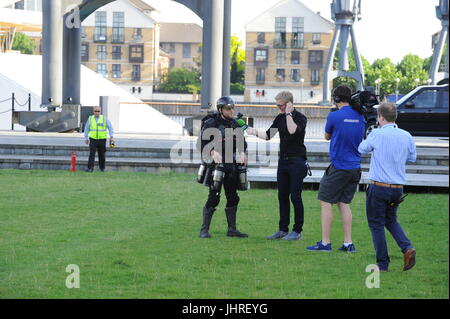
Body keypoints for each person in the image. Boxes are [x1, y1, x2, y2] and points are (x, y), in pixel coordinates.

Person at [358, 103, 416, 272]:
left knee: (376, 225)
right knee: (391, 220)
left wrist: (369, 134)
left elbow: (362, 149)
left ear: (381, 117)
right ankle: (407, 248)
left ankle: (382, 263)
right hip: (397, 187)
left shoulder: (377, 133)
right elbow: (412, 158)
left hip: (379, 186)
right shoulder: (406, 135)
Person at [306, 85, 364, 252]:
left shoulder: (334, 116)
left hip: (339, 166)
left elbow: (326, 136)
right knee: (344, 203)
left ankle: (325, 243)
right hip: (355, 167)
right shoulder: (360, 116)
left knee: (325, 201)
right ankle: (348, 243)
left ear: (336, 98)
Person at [246, 91, 308, 240]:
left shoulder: (300, 118)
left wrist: (288, 114)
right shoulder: (279, 118)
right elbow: (268, 135)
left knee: (295, 196)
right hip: (284, 161)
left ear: (288, 104)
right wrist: (252, 131)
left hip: (297, 161)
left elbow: (293, 130)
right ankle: (282, 229)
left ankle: (297, 231)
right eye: (277, 105)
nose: (278, 108)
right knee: (282, 196)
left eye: (280, 105)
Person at [199, 96, 248, 238]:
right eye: (228, 108)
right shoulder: (211, 123)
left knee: (233, 197)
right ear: (221, 109)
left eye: (233, 107)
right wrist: (212, 152)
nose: (231, 110)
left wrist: (242, 153)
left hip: (231, 164)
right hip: (216, 164)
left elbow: (241, 142)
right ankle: (204, 230)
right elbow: (202, 143)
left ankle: (232, 230)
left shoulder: (236, 123)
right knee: (214, 197)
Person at [84, 106, 114, 172]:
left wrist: (111, 136)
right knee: (92, 154)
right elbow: (86, 129)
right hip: (93, 139)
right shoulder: (90, 119)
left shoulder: (104, 119)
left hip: (102, 140)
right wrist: (86, 138)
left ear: (100, 112)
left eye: (98, 111)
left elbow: (110, 127)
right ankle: (90, 168)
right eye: (95, 111)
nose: (97, 112)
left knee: (102, 154)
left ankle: (102, 168)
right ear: (93, 111)